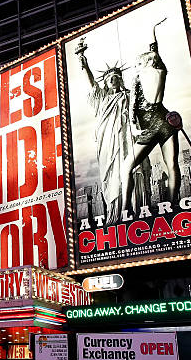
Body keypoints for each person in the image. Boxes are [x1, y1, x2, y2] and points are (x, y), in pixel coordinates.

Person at [121, 18, 181, 212]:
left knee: (125, 167)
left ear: (146, 61)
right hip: (165, 121)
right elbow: (155, 50)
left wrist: (133, 126)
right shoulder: (160, 70)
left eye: (139, 61)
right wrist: (152, 30)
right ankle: (173, 205)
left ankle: (125, 210)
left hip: (150, 126)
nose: (136, 64)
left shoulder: (139, 77)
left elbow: (133, 105)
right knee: (171, 165)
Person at [76, 38, 134, 225]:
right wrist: (84, 63)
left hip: (124, 138)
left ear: (120, 79)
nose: (113, 81)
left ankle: (129, 209)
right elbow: (92, 83)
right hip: (106, 140)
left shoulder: (127, 96)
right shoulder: (102, 98)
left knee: (127, 171)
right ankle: (113, 213)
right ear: (106, 83)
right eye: (110, 79)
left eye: (116, 78)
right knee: (110, 174)